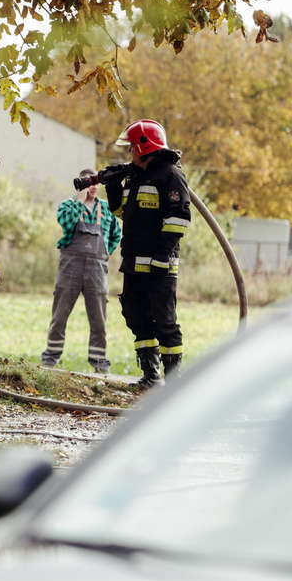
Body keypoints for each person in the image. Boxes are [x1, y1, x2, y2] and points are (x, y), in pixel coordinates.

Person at [98, 119, 189, 388]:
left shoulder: (171, 175)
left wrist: (162, 256)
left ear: (143, 146)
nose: (129, 153)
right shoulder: (136, 178)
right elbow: (123, 214)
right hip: (134, 263)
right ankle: (151, 376)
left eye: (132, 148)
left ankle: (173, 383)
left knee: (165, 322)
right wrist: (113, 186)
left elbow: (179, 218)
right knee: (136, 315)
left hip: (160, 265)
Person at [41, 169, 121, 372]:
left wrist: (104, 254)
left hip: (97, 269)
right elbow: (66, 223)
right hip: (71, 266)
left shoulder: (106, 209)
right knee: (59, 315)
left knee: (98, 318)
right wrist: (79, 201)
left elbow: (116, 235)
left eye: (94, 184)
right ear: (80, 186)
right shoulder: (68, 205)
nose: (92, 187)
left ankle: (99, 362)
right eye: (87, 184)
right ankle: (50, 357)